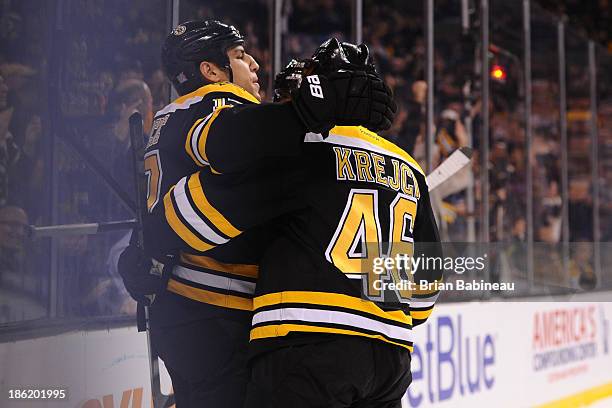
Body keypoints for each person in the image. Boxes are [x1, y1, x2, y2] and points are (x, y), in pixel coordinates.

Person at [121, 20, 395, 407]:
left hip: (187, 306)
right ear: (211, 71)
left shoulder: (169, 118)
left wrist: (142, 244)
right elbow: (231, 139)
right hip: (216, 308)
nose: (254, 64)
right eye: (239, 55)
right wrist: (302, 113)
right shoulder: (217, 101)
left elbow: (165, 204)